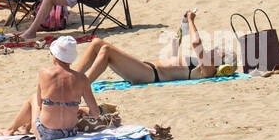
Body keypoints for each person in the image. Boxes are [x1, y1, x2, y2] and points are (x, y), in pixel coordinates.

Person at [75, 10, 230, 84]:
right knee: (97, 43)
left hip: (149, 74)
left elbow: (196, 42)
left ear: (221, 59)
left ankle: (82, 86)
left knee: (106, 51)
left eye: (218, 50)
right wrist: (184, 22)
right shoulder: (194, 61)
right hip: (145, 67)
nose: (213, 49)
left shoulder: (208, 70)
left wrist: (191, 21)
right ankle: (72, 78)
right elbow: (176, 41)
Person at [0, 37, 103, 140]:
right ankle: (25, 127)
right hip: (71, 132)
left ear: (55, 56)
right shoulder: (82, 79)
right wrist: (80, 109)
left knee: (34, 98)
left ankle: (10, 129)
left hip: (46, 133)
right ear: (71, 59)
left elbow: (39, 104)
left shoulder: (44, 73)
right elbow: (95, 113)